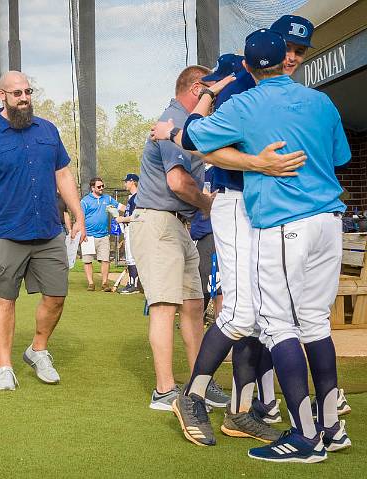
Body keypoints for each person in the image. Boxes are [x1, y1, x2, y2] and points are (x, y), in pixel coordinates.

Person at [154, 29, 352, 462]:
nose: (296, 56)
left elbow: (195, 138)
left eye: (302, 50)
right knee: (248, 312)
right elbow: (197, 143)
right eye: (292, 49)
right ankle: (195, 397)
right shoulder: (240, 78)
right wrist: (211, 96)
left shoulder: (280, 95)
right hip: (245, 204)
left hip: (277, 212)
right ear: (279, 55)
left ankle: (248, 410)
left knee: (268, 319)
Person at [0, 70, 85, 391]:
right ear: (1, 95)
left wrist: (79, 214)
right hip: (5, 232)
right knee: (5, 299)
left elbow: (63, 175)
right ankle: (4, 367)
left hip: (49, 231)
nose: (24, 98)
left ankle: (38, 349)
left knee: (57, 296)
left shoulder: (48, 130)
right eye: (16, 93)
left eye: (27, 92)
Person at [129, 65, 229, 412]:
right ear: (198, 89)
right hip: (158, 223)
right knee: (164, 306)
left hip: (177, 225)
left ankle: (199, 383)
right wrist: (208, 205)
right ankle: (164, 390)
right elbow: (178, 183)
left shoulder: (186, 124)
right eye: (211, 93)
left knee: (193, 305)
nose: (214, 101)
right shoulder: (175, 120)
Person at [188, 166, 223, 321]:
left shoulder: (218, 169)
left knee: (216, 286)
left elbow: (222, 197)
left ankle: (221, 326)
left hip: (212, 234)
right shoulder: (197, 170)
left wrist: (204, 196)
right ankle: (198, 320)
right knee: (202, 283)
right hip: (198, 235)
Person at [81, 177, 125, 291]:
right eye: (99, 186)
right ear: (92, 188)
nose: (101, 188)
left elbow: (120, 207)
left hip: (104, 235)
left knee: (105, 260)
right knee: (87, 261)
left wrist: (135, 210)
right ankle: (91, 283)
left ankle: (105, 283)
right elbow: (80, 217)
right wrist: (82, 233)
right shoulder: (85, 201)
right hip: (88, 236)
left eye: (102, 186)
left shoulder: (108, 198)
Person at [114, 173, 139, 294]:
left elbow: (136, 216)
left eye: (126, 181)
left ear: (132, 182)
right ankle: (131, 282)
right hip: (129, 228)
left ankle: (133, 285)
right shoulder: (132, 197)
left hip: (134, 229)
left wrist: (122, 219)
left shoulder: (137, 197)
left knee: (132, 257)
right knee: (130, 257)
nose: (125, 183)